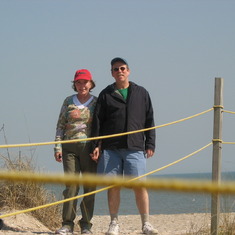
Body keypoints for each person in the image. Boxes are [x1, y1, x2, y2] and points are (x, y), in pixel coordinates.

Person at [91, 58, 159, 235]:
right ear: (112, 73)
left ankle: (146, 223)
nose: (119, 71)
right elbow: (97, 122)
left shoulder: (141, 93)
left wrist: (150, 142)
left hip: (135, 147)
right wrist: (95, 145)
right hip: (110, 148)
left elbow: (149, 119)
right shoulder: (105, 94)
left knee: (139, 186)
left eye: (122, 68)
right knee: (113, 186)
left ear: (128, 71)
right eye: (115, 69)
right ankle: (114, 223)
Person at [54, 69, 97, 235]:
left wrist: (98, 147)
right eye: (78, 82)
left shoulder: (96, 101)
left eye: (85, 82)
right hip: (69, 148)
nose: (82, 85)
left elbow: (100, 127)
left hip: (89, 149)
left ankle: (86, 225)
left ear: (91, 83)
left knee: (90, 187)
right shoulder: (68, 101)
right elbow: (60, 125)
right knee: (71, 187)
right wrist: (57, 146)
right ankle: (67, 224)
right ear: (75, 84)